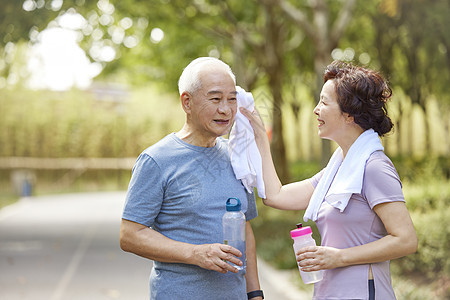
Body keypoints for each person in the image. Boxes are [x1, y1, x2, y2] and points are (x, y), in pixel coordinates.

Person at [241, 60, 417, 300]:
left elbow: (406, 240)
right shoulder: (337, 170)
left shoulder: (374, 167)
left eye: (324, 102)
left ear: (349, 115)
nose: (315, 109)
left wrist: (339, 257)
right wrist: (261, 139)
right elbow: (275, 196)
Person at [119, 57, 264, 300]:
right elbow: (130, 234)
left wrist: (255, 294)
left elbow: (245, 227)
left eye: (232, 99)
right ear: (187, 102)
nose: (226, 109)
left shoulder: (237, 156)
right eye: (215, 99)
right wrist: (195, 254)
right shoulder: (156, 160)